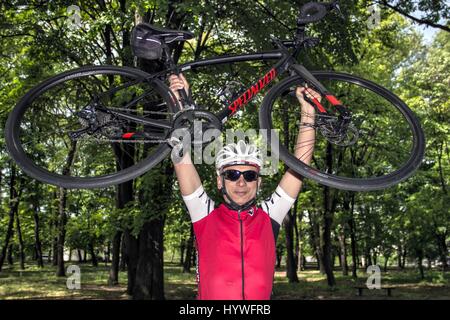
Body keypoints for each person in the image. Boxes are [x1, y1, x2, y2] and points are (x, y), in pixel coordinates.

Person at [169, 73, 319, 300]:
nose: (241, 182)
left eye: (249, 175)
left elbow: (299, 167)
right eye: (232, 174)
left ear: (258, 183)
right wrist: (179, 101)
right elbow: (181, 157)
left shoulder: (269, 216)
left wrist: (308, 111)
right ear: (220, 181)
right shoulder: (205, 213)